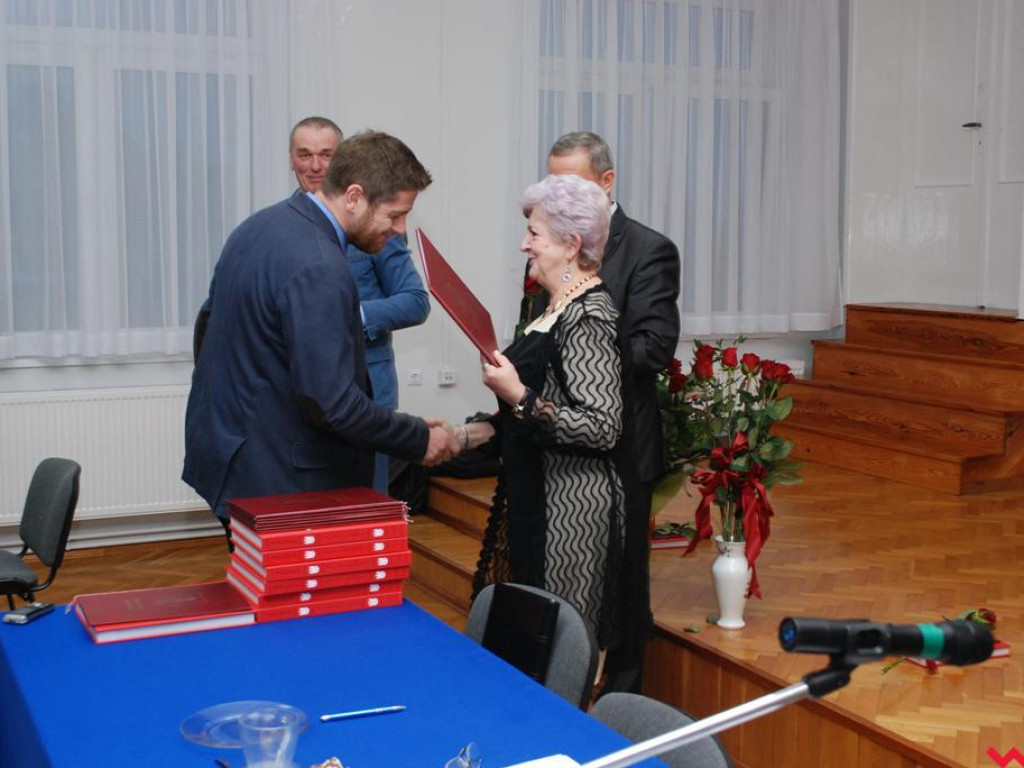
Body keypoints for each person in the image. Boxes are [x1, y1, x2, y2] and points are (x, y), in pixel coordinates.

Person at [183, 130, 459, 538]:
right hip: (276, 476)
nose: (400, 230)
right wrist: (418, 437)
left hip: (233, 454)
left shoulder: (260, 225)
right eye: (395, 214)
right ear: (353, 196)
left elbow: (206, 330)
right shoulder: (320, 264)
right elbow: (332, 404)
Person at [459, 173, 643, 662]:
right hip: (536, 496)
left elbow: (602, 426)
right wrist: (466, 435)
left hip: (571, 512)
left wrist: (517, 393)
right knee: (523, 646)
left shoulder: (589, 315)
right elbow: (532, 410)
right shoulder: (551, 307)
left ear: (571, 243)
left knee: (557, 653)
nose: (524, 245)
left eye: (534, 234)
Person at [536, 131, 681, 692]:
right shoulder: (549, 242)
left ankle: (622, 707)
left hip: (620, 451)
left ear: (606, 182)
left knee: (621, 594)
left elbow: (653, 349)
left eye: (571, 182)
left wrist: (586, 334)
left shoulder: (648, 249)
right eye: (552, 183)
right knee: (568, 593)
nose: (559, 194)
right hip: (562, 453)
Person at [289, 116, 431, 493]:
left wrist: (351, 318)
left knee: (368, 496)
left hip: (369, 385)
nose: (316, 166)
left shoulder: (377, 224)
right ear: (292, 160)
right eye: (305, 155)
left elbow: (415, 301)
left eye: (326, 155)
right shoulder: (285, 225)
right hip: (303, 390)